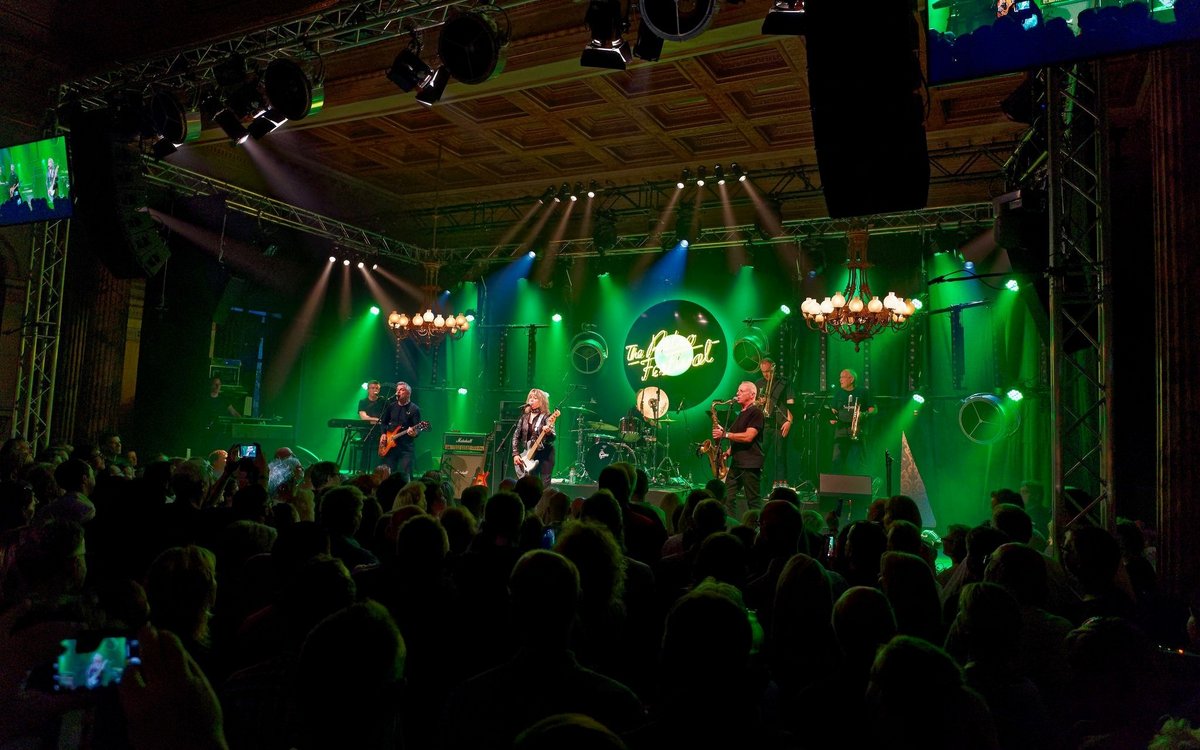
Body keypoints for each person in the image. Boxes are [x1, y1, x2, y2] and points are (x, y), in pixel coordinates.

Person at [712, 381, 764, 518]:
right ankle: (731, 525)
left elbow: (748, 437)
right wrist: (728, 452)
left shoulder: (756, 412)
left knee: (753, 501)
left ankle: (758, 527)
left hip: (750, 464)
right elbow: (737, 438)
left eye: (741, 391)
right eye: (738, 391)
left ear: (752, 394)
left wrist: (725, 434)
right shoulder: (741, 413)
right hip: (737, 463)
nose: (737, 394)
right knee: (728, 498)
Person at [754, 357, 795, 488]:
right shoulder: (759, 383)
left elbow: (791, 403)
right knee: (760, 454)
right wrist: (758, 402)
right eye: (763, 372)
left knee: (780, 454)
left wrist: (789, 421)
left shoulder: (784, 382)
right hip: (765, 423)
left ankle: (781, 484)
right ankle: (758, 483)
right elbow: (754, 403)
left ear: (773, 369)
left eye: (768, 371)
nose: (766, 374)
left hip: (780, 423)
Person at [829, 368, 874, 475]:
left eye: (843, 377)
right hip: (841, 430)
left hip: (858, 430)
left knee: (857, 460)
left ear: (851, 379)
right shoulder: (838, 393)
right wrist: (832, 418)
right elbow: (833, 410)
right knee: (837, 459)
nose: (840, 380)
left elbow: (873, 409)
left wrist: (864, 414)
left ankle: (857, 483)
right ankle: (837, 482)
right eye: (840, 377)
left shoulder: (863, 392)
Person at [512, 388, 557, 487]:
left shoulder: (547, 416)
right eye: (530, 397)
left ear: (542, 401)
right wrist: (515, 454)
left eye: (535, 398)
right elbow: (516, 435)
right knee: (529, 485)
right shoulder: (524, 417)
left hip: (545, 454)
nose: (531, 400)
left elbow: (553, 437)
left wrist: (548, 432)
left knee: (544, 485)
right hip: (529, 454)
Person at [378, 381, 422, 479]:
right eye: (397, 390)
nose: (398, 392)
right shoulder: (391, 406)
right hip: (390, 446)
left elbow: (418, 428)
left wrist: (414, 433)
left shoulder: (414, 409)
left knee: (406, 475)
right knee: (388, 475)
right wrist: (383, 434)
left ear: (408, 393)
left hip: (405, 447)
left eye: (401, 390)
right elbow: (383, 422)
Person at [356, 379, 386, 473]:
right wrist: (378, 420)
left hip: (380, 430)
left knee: (384, 445)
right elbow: (363, 417)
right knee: (367, 443)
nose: (374, 390)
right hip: (366, 429)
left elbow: (387, 417)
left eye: (376, 388)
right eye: (372, 388)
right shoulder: (363, 402)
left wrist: (375, 420)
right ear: (368, 389)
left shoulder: (383, 401)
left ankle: (381, 470)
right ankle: (362, 470)